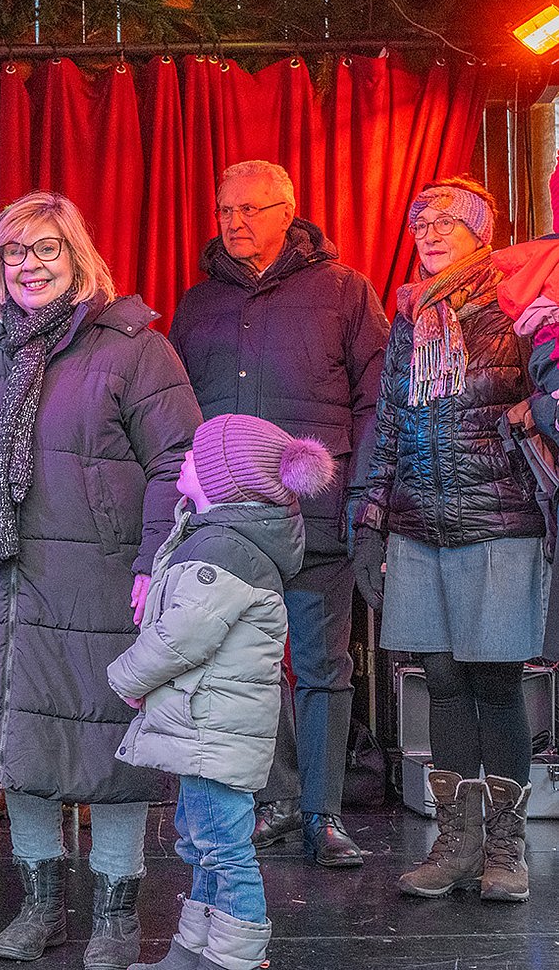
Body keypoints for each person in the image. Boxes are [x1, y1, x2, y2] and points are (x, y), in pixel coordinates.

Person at [0, 190, 201, 968]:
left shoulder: (133, 347)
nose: (30, 265)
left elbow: (179, 462)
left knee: (109, 741)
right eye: (14, 252)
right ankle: (41, 904)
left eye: (46, 248)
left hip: (101, 578)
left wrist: (154, 560)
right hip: (3, 581)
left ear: (78, 255)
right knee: (18, 733)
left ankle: (117, 912)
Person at [167, 160, 387, 869]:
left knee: (322, 667)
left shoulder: (344, 290)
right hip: (228, 523)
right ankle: (279, 799)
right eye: (224, 210)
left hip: (316, 512)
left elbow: (377, 400)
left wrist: (362, 493)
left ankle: (324, 813)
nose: (233, 222)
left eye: (249, 209)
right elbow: (177, 410)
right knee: (244, 667)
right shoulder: (199, 303)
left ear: (288, 213)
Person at [354, 177, 547, 904]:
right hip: (419, 523)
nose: (429, 234)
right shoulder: (409, 318)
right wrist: (371, 518)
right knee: (440, 679)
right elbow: (391, 422)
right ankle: (457, 841)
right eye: (420, 223)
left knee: (495, 681)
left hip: (498, 520)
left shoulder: (516, 302)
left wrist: (534, 411)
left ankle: (506, 845)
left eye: (445, 223)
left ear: (479, 233)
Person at [109, 415, 338, 970]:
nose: (184, 460)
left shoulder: (225, 551)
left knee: (225, 850)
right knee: (203, 844)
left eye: (196, 455)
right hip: (207, 728)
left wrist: (128, 677)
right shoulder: (218, 539)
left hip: (215, 730)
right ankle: (195, 950)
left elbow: (182, 635)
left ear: (223, 479)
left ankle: (236, 958)